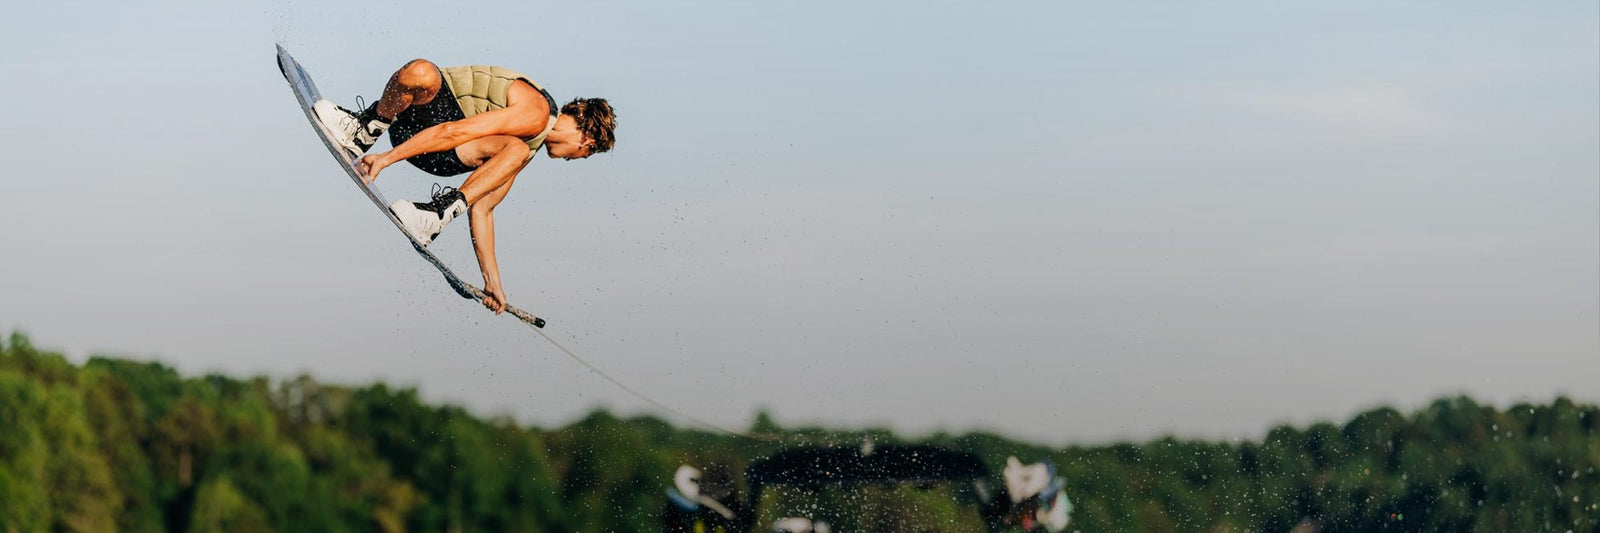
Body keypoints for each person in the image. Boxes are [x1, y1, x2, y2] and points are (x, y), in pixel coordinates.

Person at [312, 59, 617, 313]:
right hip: (422, 126)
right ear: (586, 141)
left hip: (438, 148)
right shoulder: (534, 115)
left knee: (516, 151)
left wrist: (492, 280)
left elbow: (482, 208)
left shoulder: (522, 148)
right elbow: (454, 130)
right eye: (585, 155)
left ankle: (434, 216)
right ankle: (363, 130)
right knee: (421, 71)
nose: (574, 160)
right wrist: (387, 159)